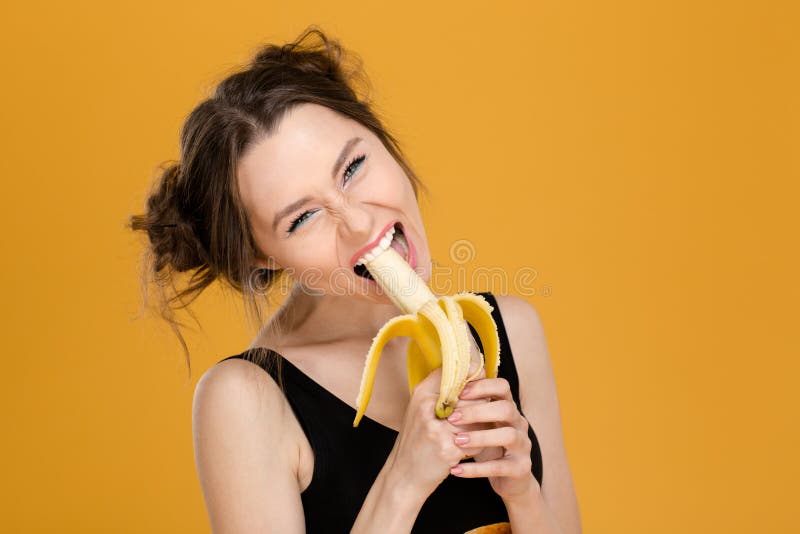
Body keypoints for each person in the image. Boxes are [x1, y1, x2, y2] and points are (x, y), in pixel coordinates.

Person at [129, 26, 581, 533]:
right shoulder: (246, 402)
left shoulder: (511, 330)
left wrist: (521, 492)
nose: (361, 223)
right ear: (262, 259)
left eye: (354, 167)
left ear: (380, 136)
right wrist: (402, 482)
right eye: (302, 219)